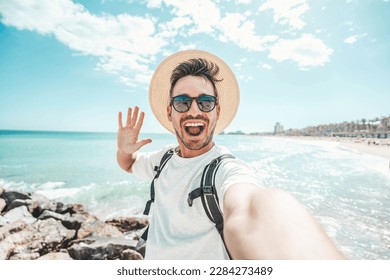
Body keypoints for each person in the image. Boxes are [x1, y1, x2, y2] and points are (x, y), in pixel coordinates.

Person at [117, 50, 345, 260]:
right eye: (183, 102)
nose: (194, 110)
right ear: (170, 112)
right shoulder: (164, 158)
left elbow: (248, 208)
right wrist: (123, 151)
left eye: (205, 102)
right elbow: (129, 164)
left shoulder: (225, 170)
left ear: (217, 111)